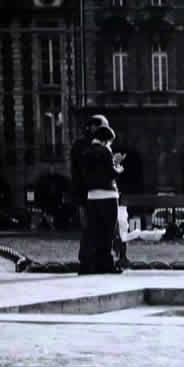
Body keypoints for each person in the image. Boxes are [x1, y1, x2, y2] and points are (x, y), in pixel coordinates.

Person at [78, 124, 124, 275]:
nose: (110, 144)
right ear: (106, 140)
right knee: (108, 232)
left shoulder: (85, 152)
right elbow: (110, 173)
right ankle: (107, 264)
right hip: (108, 195)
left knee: (94, 231)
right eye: (110, 141)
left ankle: (92, 264)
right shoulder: (105, 151)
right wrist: (118, 168)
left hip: (92, 196)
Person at [71, 114, 108, 272]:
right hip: (87, 193)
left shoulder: (84, 145)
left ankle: (91, 261)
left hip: (87, 193)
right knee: (89, 228)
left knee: (93, 228)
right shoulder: (86, 146)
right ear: (93, 127)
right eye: (103, 127)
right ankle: (87, 262)